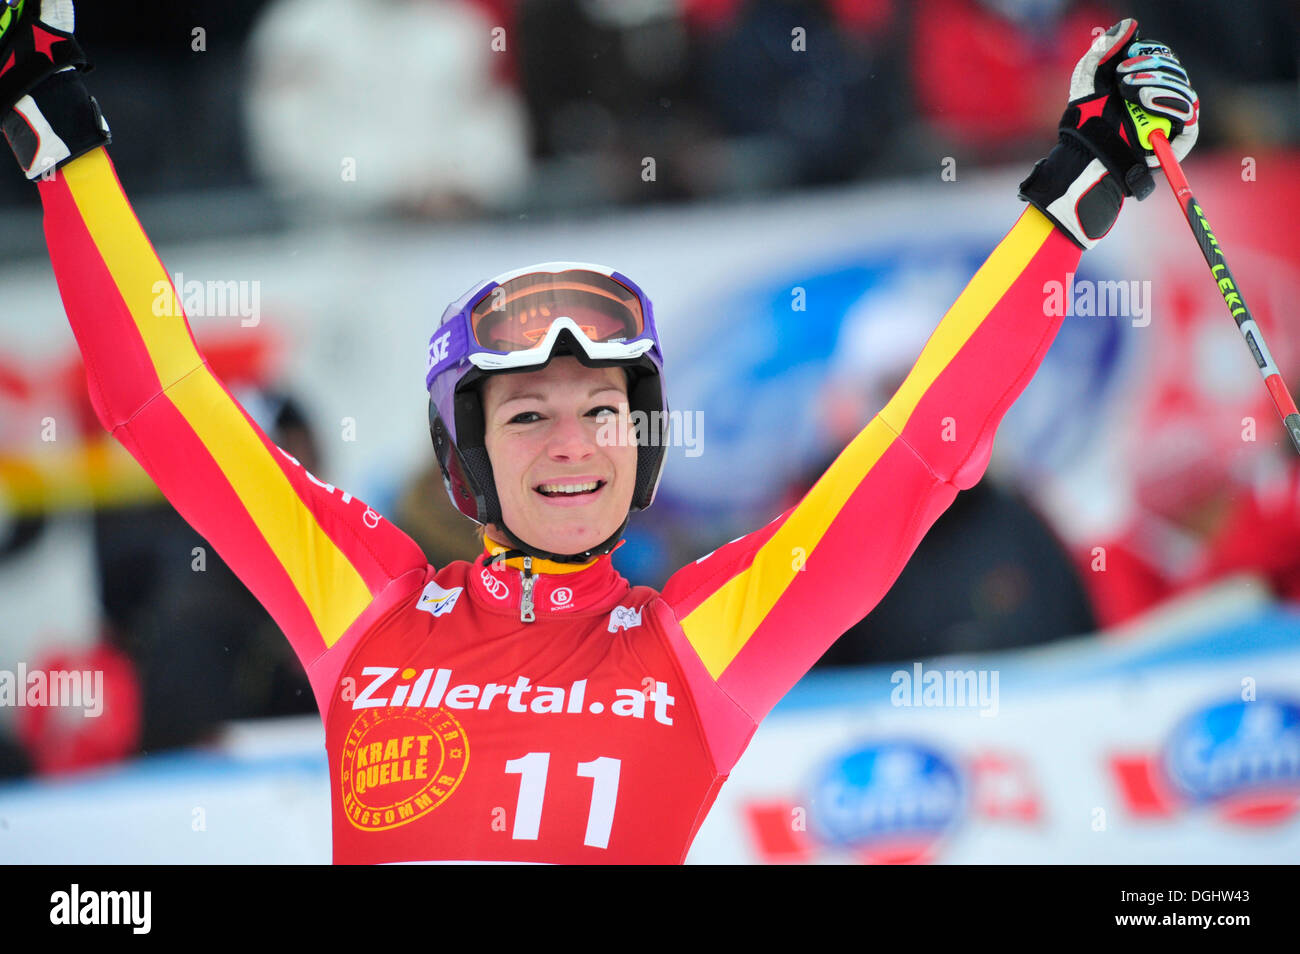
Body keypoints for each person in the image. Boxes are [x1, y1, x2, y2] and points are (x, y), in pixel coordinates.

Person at [1, 4, 1199, 862]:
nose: (571, 443)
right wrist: (58, 134)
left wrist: (1079, 188)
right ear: (467, 457)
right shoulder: (362, 602)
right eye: (527, 414)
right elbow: (158, 401)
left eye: (603, 412)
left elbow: (920, 447)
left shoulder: (702, 639)